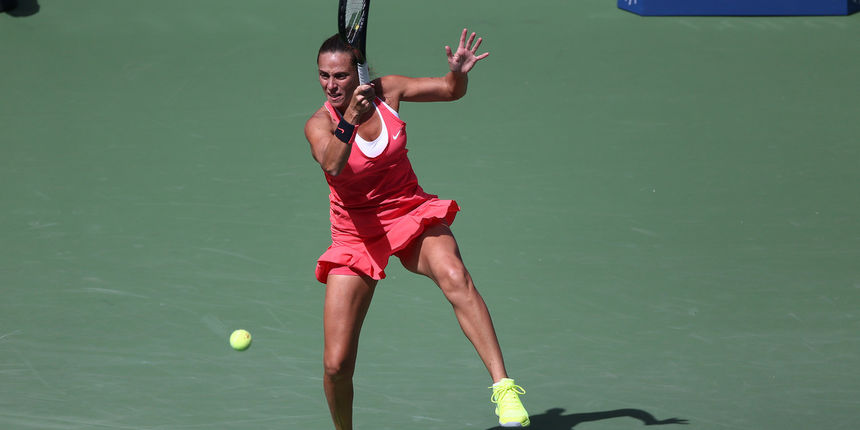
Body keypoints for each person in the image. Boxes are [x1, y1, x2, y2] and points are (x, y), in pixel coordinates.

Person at [304, 28, 530, 429]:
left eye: (340, 75)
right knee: (336, 365)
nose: (331, 84)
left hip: (409, 215)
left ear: (359, 73)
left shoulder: (387, 91)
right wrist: (351, 121)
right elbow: (331, 163)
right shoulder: (319, 123)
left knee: (455, 275)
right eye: (324, 75)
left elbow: (449, 90)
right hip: (355, 237)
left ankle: (504, 387)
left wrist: (458, 73)